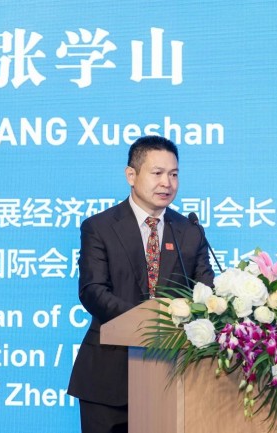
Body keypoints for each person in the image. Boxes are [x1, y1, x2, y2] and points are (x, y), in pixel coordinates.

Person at [67, 135, 215, 433]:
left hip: (173, 375)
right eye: (157, 173)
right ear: (131, 175)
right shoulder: (99, 227)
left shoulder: (190, 231)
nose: (167, 183)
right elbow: (92, 291)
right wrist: (149, 321)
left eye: (174, 174)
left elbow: (206, 292)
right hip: (107, 376)